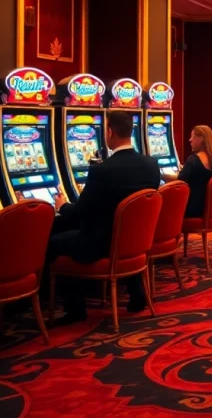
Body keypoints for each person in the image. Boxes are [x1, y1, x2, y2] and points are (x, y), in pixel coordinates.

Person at [47, 110, 161, 323]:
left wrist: (62, 206)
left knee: (54, 242)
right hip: (136, 242)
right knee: (126, 230)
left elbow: (79, 212)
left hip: (101, 244)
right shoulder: (151, 164)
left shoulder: (102, 171)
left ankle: (75, 310)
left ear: (109, 132)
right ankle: (136, 293)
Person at [163, 125, 212, 217]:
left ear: (202, 139)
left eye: (193, 137)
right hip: (208, 206)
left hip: (192, 208)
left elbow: (179, 181)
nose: (190, 140)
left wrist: (161, 174)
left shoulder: (194, 159)